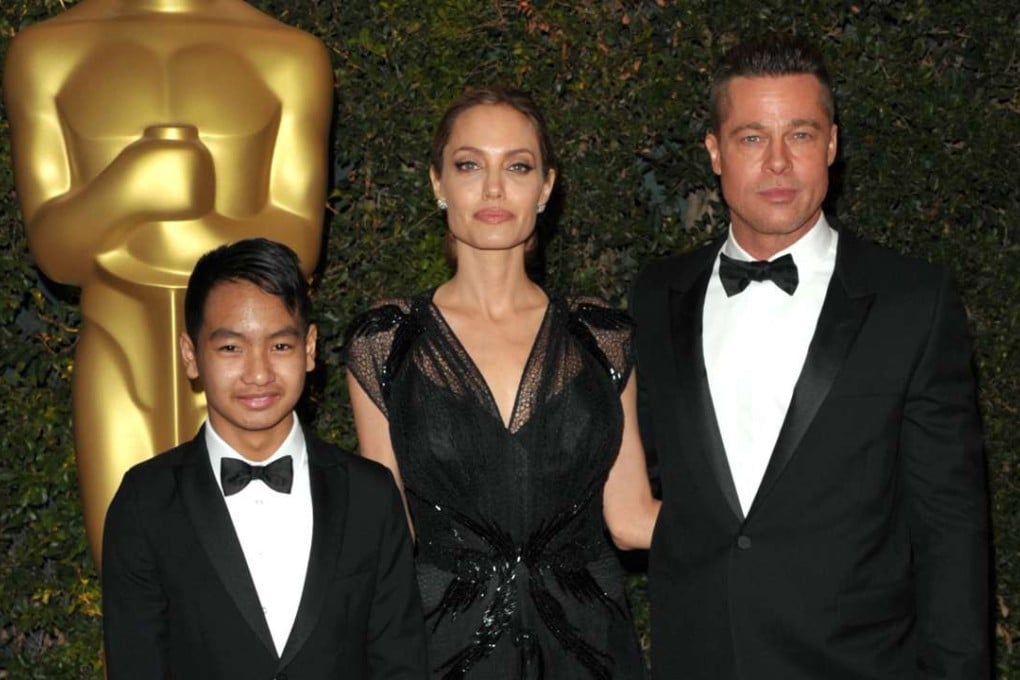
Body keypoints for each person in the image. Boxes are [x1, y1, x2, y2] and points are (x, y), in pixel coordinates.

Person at [630, 33, 990, 679]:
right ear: (714, 152)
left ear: (831, 144)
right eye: (750, 138)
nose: (776, 163)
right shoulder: (656, 297)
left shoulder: (914, 300)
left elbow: (951, 533)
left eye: (799, 135)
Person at [344, 87, 659, 679]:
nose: (493, 188)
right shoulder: (384, 343)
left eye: (517, 166)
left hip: (590, 650)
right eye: (469, 165)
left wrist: (769, 529)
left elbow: (631, 516)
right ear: (438, 183)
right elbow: (390, 534)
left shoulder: (601, 336)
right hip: (441, 648)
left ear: (545, 188)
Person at [3, 0, 332, 566]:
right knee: (126, 576)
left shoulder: (289, 56)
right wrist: (129, 188)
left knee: (256, 585)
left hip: (247, 356)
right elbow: (56, 249)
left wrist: (193, 221)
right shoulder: (48, 53)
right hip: (118, 341)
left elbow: (298, 244)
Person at [102, 238, 428, 679]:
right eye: (231, 348)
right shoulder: (146, 501)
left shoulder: (369, 495)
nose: (258, 373)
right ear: (190, 355)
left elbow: (400, 666)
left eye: (279, 346)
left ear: (310, 349)